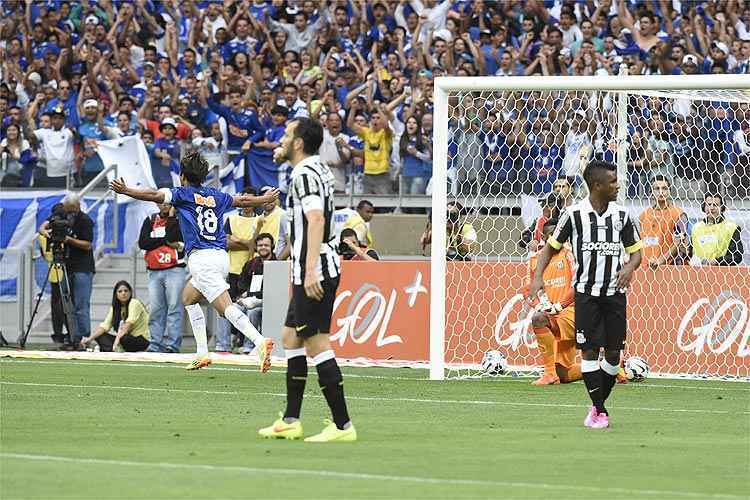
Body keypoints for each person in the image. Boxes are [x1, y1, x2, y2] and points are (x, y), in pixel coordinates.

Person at [110, 152, 279, 372]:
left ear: (182, 176)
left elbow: (154, 195)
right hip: (219, 256)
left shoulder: (182, 194)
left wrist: (126, 191)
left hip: (202, 258)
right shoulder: (215, 195)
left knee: (225, 308)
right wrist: (264, 199)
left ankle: (259, 342)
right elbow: (243, 200)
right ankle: (202, 353)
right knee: (188, 298)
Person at [258, 117, 356, 442]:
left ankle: (342, 425)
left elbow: (316, 219)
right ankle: (291, 420)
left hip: (314, 270)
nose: (281, 140)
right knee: (290, 338)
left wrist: (311, 267)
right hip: (306, 268)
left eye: (286, 135)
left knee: (316, 343)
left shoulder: (304, 173)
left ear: (299, 143)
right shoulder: (315, 169)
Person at [530, 160, 643, 429]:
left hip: (614, 293)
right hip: (586, 295)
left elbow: (637, 253)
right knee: (590, 352)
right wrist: (537, 278)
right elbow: (549, 248)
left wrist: (628, 266)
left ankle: (596, 407)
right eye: (613, 181)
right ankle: (600, 412)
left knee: (614, 355)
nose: (618, 185)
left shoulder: (622, 216)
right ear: (597, 185)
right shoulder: (573, 215)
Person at [527, 219, 580, 386]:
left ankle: (549, 374)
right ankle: (605, 369)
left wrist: (559, 306)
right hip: (551, 315)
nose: (556, 239)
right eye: (551, 235)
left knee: (538, 319)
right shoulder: (535, 259)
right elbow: (529, 291)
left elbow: (578, 285)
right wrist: (539, 305)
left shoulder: (570, 254)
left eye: (558, 234)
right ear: (543, 236)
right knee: (563, 373)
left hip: (571, 313)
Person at [217, 187, 263, 353]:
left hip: (252, 271)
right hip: (232, 269)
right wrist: (248, 242)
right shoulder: (231, 218)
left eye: (250, 200)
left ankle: (246, 344)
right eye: (244, 200)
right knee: (226, 307)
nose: (246, 204)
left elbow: (259, 243)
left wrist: (238, 240)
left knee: (247, 306)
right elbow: (226, 242)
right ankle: (224, 344)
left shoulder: (260, 220)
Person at [138, 203, 186, 353]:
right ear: (157, 204)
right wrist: (165, 241)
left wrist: (172, 217)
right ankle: (155, 344)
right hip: (154, 270)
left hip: (175, 269)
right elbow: (143, 243)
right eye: (162, 202)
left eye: (168, 203)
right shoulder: (150, 220)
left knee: (174, 307)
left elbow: (174, 237)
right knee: (156, 309)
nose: (164, 206)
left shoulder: (180, 220)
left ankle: (173, 345)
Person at [235, 232, 277, 353]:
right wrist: (243, 294)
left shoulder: (278, 264)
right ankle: (223, 345)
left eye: (266, 245)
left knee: (252, 311)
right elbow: (241, 283)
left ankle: (249, 346)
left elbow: (275, 290)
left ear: (272, 246)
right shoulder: (251, 264)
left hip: (267, 301)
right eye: (260, 245)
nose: (263, 248)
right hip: (248, 298)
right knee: (228, 309)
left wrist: (254, 298)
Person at [80, 281, 150, 352]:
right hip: (124, 340)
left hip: (141, 339)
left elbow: (128, 324)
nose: (123, 293)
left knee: (124, 338)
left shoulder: (134, 303)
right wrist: (89, 339)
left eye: (126, 291)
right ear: (116, 294)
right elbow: (105, 326)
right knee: (100, 336)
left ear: (130, 292)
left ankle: (114, 349)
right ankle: (117, 349)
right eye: (120, 291)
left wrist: (116, 341)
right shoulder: (115, 308)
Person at [639, 175, 690, 268]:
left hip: (668, 268)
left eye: (665, 188)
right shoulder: (643, 215)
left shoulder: (679, 214)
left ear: (670, 191)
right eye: (657, 189)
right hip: (645, 267)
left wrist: (661, 261)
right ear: (651, 192)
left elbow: (679, 242)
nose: (661, 192)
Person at [690, 193, 744, 266]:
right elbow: (689, 253)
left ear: (722, 208)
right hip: (698, 274)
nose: (711, 208)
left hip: (721, 273)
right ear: (704, 207)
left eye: (715, 205)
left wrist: (717, 261)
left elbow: (737, 256)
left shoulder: (731, 228)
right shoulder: (696, 228)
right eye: (709, 204)